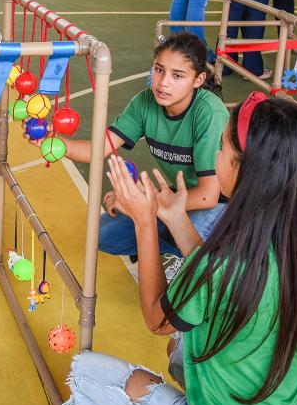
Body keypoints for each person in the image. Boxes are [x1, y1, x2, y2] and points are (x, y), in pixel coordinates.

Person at [64, 94, 297, 405]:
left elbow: (157, 317)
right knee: (181, 348)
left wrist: (144, 222)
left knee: (87, 374)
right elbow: (218, 279)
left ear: (245, 170)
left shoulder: (225, 257)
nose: (215, 155)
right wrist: (176, 218)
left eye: (222, 149)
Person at [41, 33, 229, 261]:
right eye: (159, 70)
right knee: (103, 234)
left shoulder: (208, 111)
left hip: (224, 207)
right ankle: (174, 250)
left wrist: (142, 202)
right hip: (179, 198)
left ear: (198, 80)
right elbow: (98, 149)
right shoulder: (144, 103)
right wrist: (54, 143)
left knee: (197, 225)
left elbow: (208, 196)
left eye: (177, 76)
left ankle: (193, 261)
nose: (164, 82)